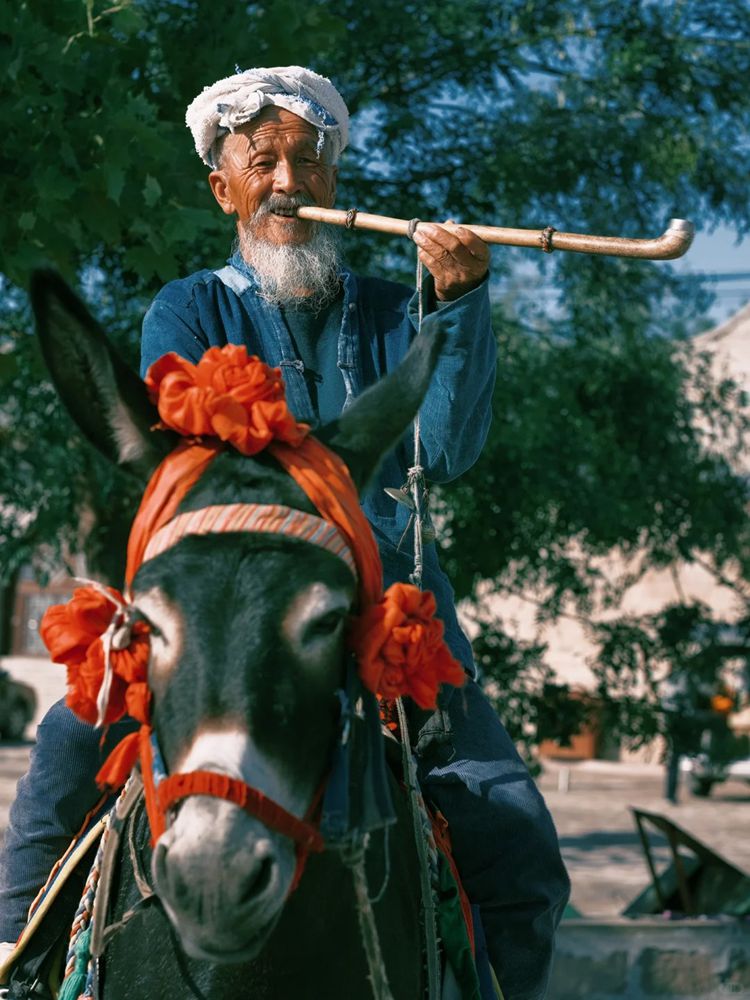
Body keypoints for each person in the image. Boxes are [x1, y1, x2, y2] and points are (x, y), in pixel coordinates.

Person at [0, 66, 569, 999]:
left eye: (310, 162)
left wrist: (460, 301)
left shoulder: (400, 307)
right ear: (223, 189)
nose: (289, 183)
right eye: (262, 162)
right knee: (69, 743)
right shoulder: (187, 308)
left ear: (335, 182)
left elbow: (442, 450)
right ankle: (14, 960)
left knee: (516, 838)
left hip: (389, 611)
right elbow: (196, 464)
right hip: (216, 602)